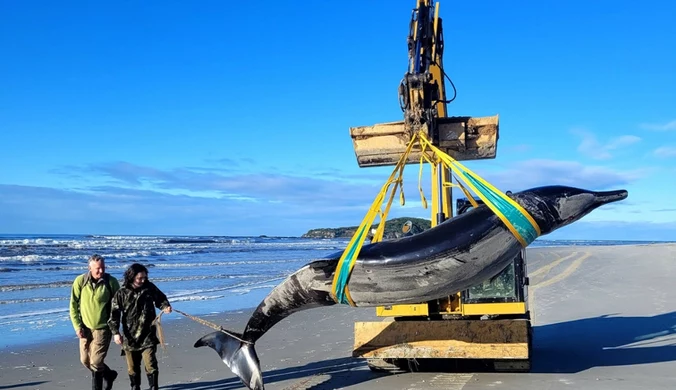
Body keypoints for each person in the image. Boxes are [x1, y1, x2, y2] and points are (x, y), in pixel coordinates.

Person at [108, 263, 172, 390]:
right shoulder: (121, 293)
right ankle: (135, 386)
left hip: (148, 335)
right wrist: (115, 333)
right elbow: (114, 314)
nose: (143, 280)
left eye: (145, 277)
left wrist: (165, 306)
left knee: (151, 363)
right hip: (129, 337)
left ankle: (154, 387)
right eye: (140, 278)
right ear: (132, 277)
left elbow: (160, 298)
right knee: (132, 367)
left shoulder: (149, 287)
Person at [70, 254, 121, 390]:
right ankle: (109, 374)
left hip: (103, 328)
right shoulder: (80, 281)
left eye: (103, 268)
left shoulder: (111, 282)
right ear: (89, 268)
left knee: (96, 362)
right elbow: (73, 306)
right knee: (85, 361)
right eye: (98, 268)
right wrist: (77, 326)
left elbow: (118, 307)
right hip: (85, 328)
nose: (101, 271)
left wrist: (116, 330)